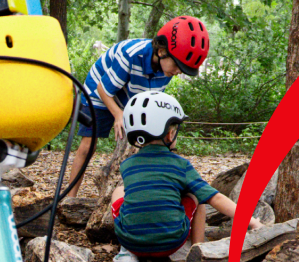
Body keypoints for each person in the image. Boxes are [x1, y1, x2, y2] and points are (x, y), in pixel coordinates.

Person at [110, 92, 262, 262]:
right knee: (197, 196)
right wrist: (252, 221)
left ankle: (126, 253)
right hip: (170, 244)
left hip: (132, 242)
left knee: (119, 191)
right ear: (169, 134)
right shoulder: (180, 165)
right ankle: (198, 251)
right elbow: (216, 198)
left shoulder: (127, 165)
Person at [68, 15, 210, 196]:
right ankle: (69, 198)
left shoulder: (166, 69)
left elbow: (150, 103)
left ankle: (140, 193)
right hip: (100, 90)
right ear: (161, 52)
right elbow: (103, 89)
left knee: (145, 141)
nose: (176, 72)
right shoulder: (131, 54)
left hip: (130, 93)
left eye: (182, 70)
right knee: (89, 145)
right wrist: (118, 115)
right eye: (177, 66)